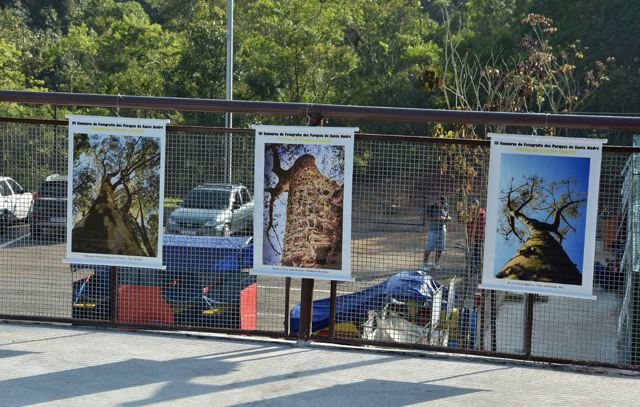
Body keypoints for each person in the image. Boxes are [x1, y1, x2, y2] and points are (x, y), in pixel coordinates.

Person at [423, 196, 450, 270]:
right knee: (429, 247)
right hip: (433, 229)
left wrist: (448, 218)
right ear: (437, 201)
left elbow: (447, 216)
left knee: (440, 247)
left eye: (443, 203)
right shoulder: (431, 207)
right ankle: (425, 264)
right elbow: (427, 218)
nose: (442, 205)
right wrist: (436, 218)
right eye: (441, 203)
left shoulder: (445, 207)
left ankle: (436, 263)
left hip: (442, 229)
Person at [466, 199, 486, 273]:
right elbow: (466, 221)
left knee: (477, 252)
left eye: (476, 205)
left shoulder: (482, 211)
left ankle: (477, 267)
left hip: (478, 235)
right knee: (470, 252)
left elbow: (482, 221)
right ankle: (470, 268)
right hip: (470, 236)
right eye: (473, 205)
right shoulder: (468, 212)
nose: (474, 206)